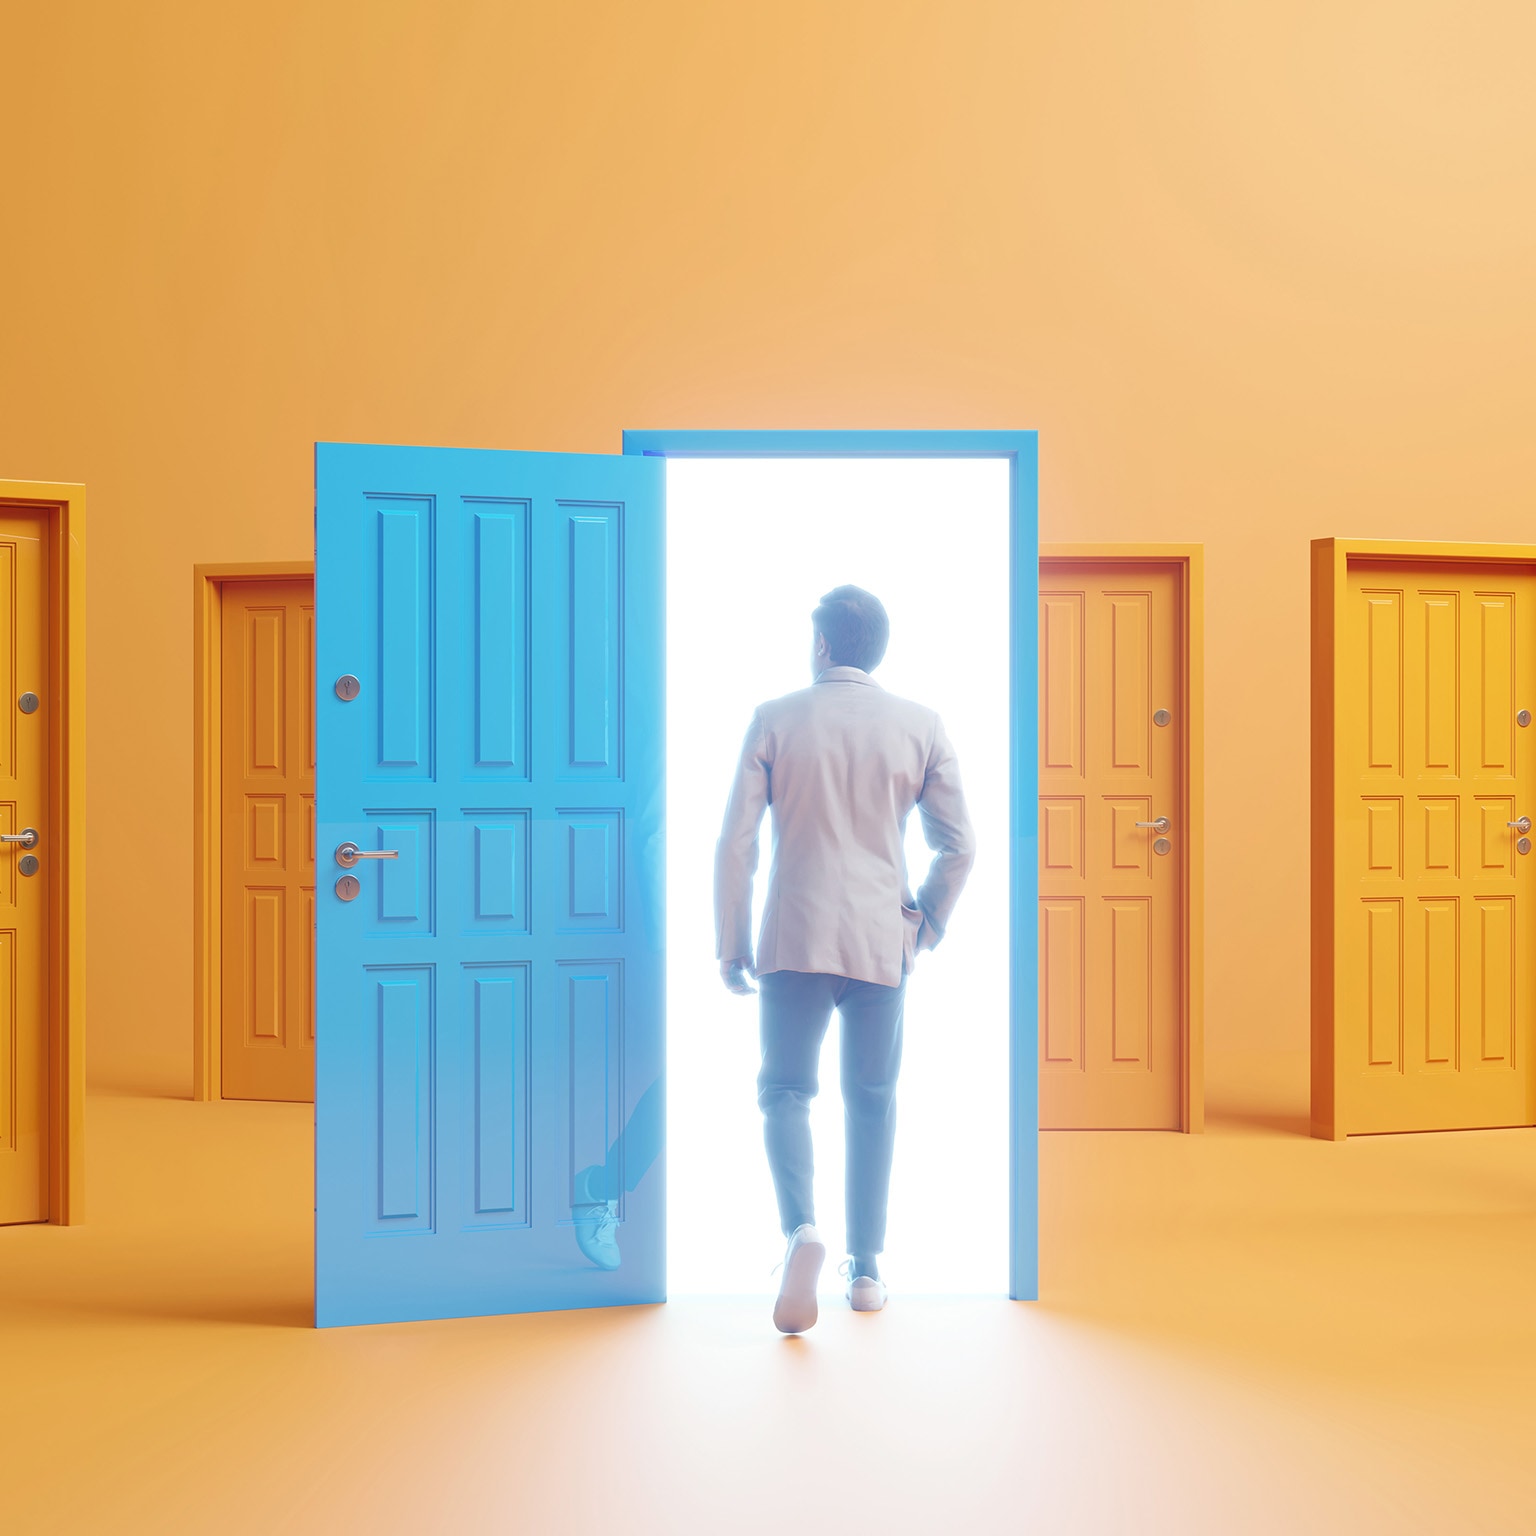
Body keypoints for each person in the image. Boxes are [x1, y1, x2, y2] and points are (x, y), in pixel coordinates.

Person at [714, 584, 975, 1333]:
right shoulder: (921, 726)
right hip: (879, 939)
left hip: (793, 938)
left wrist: (732, 943)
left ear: (823, 645)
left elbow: (737, 843)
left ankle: (802, 1231)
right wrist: (923, 926)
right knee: (872, 1100)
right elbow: (960, 845)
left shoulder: (775, 718)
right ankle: (865, 1270)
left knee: (785, 1091)